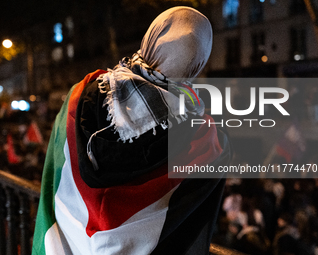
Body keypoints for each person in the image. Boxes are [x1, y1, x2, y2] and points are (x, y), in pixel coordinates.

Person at [32, 6, 231, 255]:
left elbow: (55, 169)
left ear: (152, 39)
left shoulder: (80, 95)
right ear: (198, 62)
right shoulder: (206, 140)